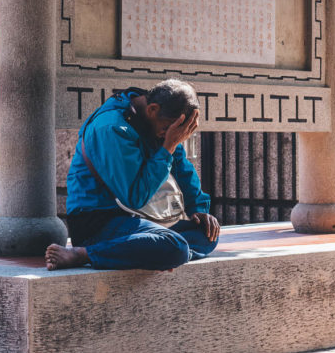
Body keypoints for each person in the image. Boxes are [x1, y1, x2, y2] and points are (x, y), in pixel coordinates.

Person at [45, 79, 220, 271]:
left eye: (177, 133)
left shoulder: (159, 122)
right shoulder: (112, 127)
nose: (168, 135)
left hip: (138, 220)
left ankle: (151, 253)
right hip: (98, 223)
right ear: (152, 109)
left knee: (207, 235)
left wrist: (198, 209)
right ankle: (84, 254)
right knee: (175, 247)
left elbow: (182, 169)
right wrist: (168, 146)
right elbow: (135, 196)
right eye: (168, 128)